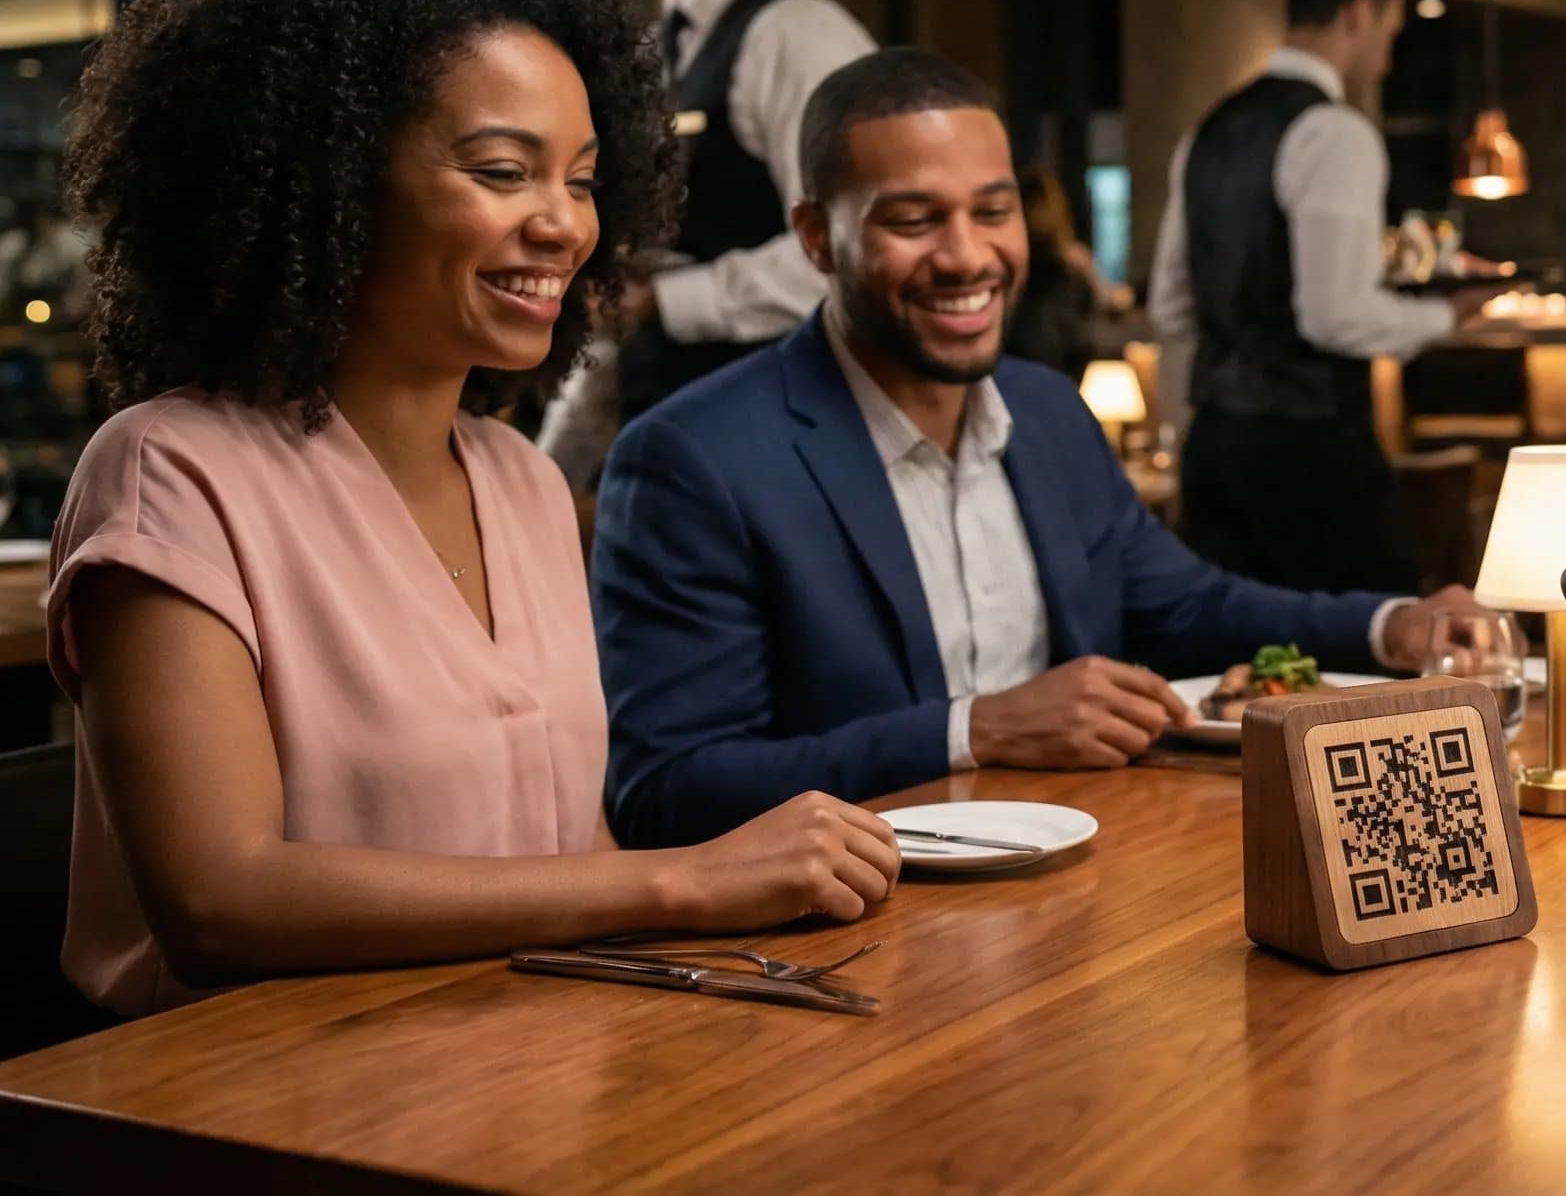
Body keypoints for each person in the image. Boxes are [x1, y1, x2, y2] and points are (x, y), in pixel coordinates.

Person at [45, 0, 898, 1017]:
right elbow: (221, 898)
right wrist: (680, 878)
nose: (565, 226)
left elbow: (565, 847)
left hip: (517, 1082)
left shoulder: (522, 480)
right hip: (244, 1121)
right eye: (504, 172)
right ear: (336, 182)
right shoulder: (172, 472)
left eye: (583, 180)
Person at [592, 48, 1486, 848]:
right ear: (818, 237)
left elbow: (1186, 608)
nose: (967, 255)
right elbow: (668, 793)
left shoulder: (1047, 411)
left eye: (993, 211)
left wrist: (1386, 625)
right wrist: (973, 730)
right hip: (848, 947)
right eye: (914, 220)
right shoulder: (693, 459)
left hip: (1088, 893)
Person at [537, 0, 877, 485]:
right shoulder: (664, 43)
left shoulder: (799, 36)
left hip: (779, 452)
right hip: (670, 442)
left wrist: (667, 300)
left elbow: (856, 252)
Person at [1149, 0, 1492, 594]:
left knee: (1235, 654)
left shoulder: (1208, 130)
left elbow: (1170, 303)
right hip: (1310, 450)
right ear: (1357, 12)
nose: (1389, 57)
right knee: (1369, 655)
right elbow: (1335, 316)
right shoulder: (1336, 132)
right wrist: (1445, 312)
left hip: (1215, 445)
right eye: (1390, 30)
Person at [1005, 171, 1105, 380]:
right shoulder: (1074, 265)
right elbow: (1099, 314)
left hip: (1016, 370)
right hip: (1059, 372)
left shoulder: (1005, 266)